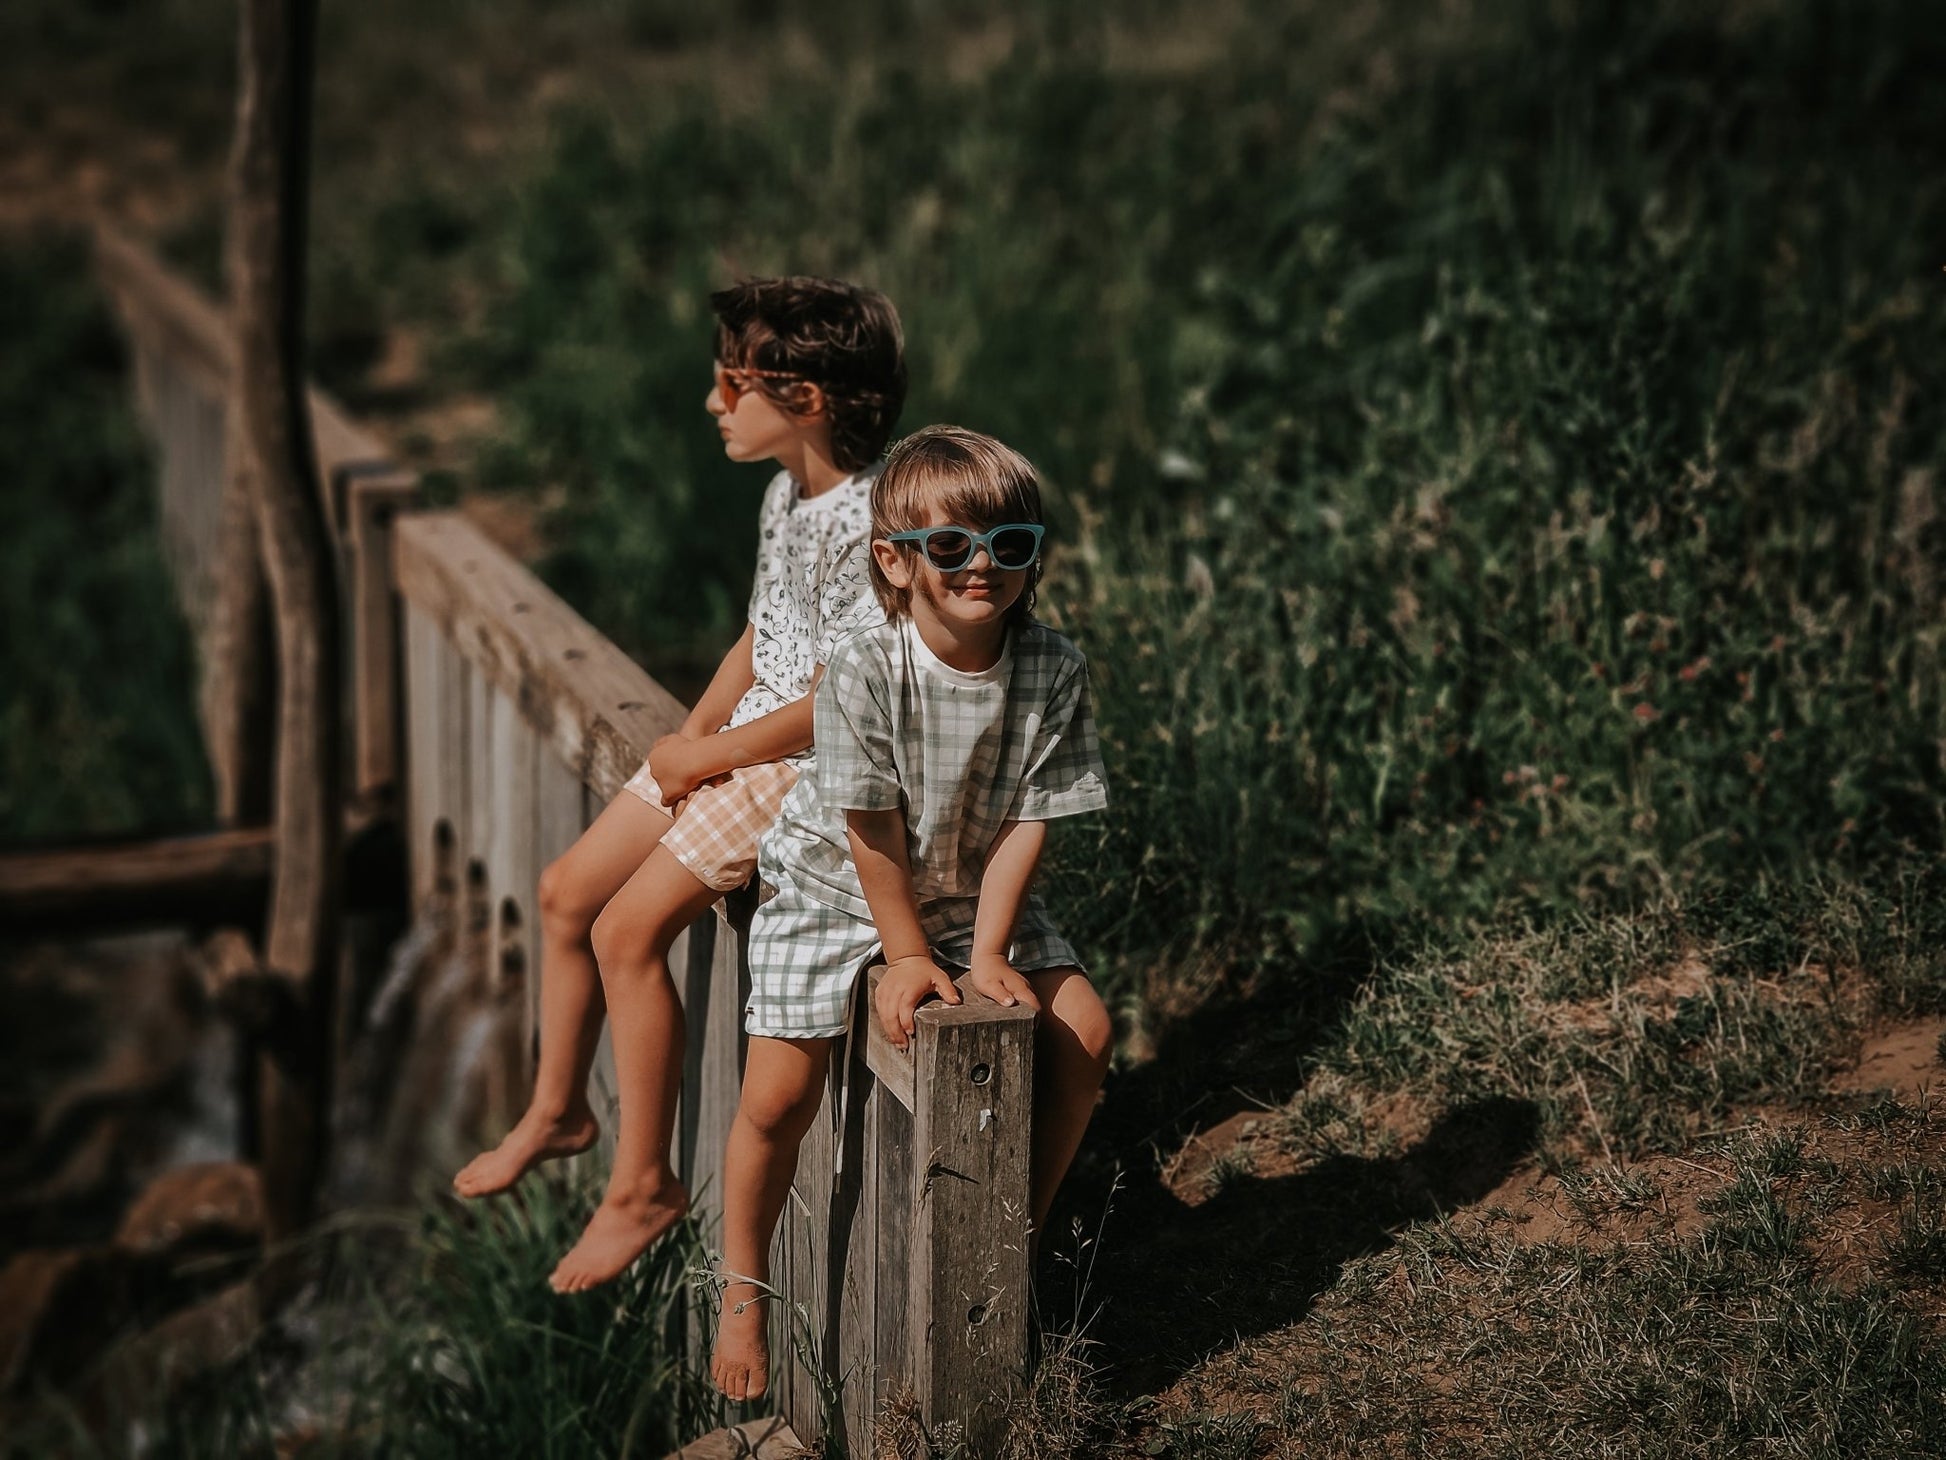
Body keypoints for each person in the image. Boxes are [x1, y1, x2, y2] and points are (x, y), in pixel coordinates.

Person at [451, 277, 907, 1295]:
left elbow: (846, 698)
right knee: (567, 892)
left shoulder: (872, 523)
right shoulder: (787, 495)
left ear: (805, 398)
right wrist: (692, 735)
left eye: (731, 383)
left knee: (625, 932)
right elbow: (762, 634)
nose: (713, 401)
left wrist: (709, 762)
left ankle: (643, 1185)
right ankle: (558, 1109)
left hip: (799, 765)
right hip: (739, 743)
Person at [709, 425, 1115, 1401]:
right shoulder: (865, 665)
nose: (982, 564)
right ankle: (742, 1284)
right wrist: (904, 955)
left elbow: (1027, 818)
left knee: (1086, 1033)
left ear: (1033, 554)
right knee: (778, 1094)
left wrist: (987, 949)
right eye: (951, 545)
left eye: (1009, 543)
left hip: (970, 886)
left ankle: (1009, 1248)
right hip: (839, 882)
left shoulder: (1051, 667)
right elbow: (869, 827)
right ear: (894, 562)